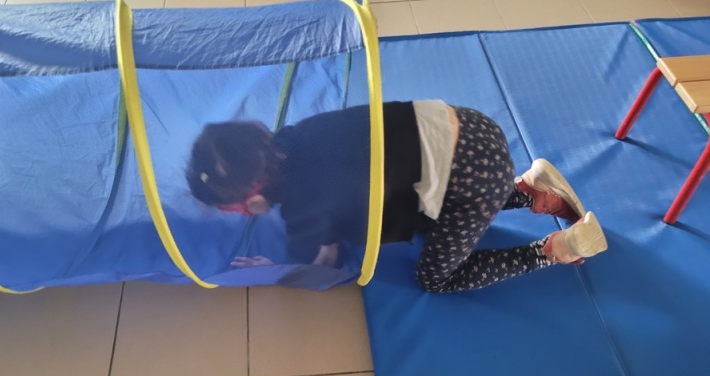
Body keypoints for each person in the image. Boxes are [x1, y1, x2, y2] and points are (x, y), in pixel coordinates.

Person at [186, 101, 608, 292]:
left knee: (435, 278)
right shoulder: (298, 134)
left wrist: (276, 267)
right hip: (470, 124)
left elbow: (316, 262)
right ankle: (528, 189)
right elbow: (332, 188)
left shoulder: (299, 210)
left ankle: (554, 249)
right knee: (424, 197)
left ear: (252, 200)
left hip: (472, 179)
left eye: (234, 209)